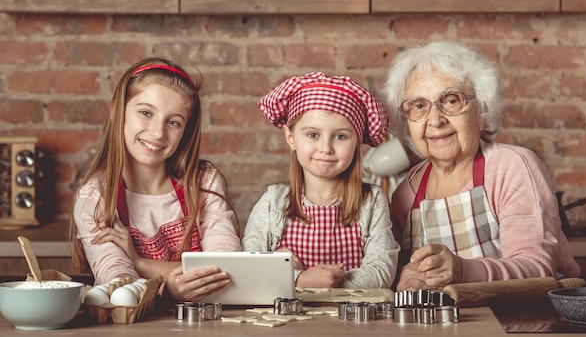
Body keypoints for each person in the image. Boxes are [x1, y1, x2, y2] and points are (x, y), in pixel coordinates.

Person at [382, 41, 580, 291]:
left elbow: (538, 270)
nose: (435, 120)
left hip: (520, 325)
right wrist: (402, 277)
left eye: (451, 100)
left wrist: (464, 271)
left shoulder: (512, 167)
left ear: (481, 110)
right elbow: (395, 272)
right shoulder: (406, 193)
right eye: (419, 106)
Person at [70, 58, 241, 303]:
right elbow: (119, 286)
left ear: (185, 130)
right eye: (146, 113)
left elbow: (225, 270)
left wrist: (140, 263)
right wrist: (168, 291)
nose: (158, 132)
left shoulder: (203, 183)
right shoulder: (96, 196)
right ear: (117, 109)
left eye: (173, 122)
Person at [242, 72, 400, 289]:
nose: (326, 148)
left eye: (340, 136)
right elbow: (249, 271)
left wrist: (299, 278)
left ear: (357, 142)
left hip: (354, 321)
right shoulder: (273, 203)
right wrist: (301, 280)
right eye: (313, 135)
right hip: (289, 321)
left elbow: (381, 272)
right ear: (291, 137)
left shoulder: (372, 201)